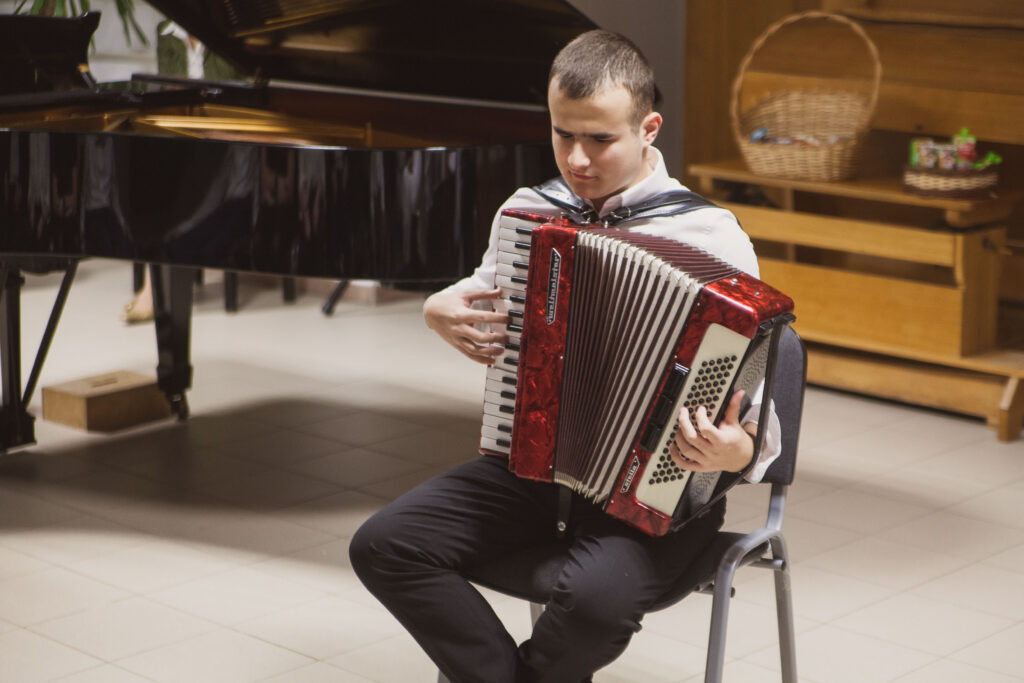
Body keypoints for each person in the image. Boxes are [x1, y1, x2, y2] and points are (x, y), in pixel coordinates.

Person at [349, 30, 781, 683]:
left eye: (600, 139)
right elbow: (475, 296)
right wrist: (436, 308)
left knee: (593, 600)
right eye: (561, 134)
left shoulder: (712, 237)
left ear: (648, 128)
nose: (577, 159)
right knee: (384, 544)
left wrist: (736, 451)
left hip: (653, 495)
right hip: (529, 469)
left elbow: (757, 418)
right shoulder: (528, 215)